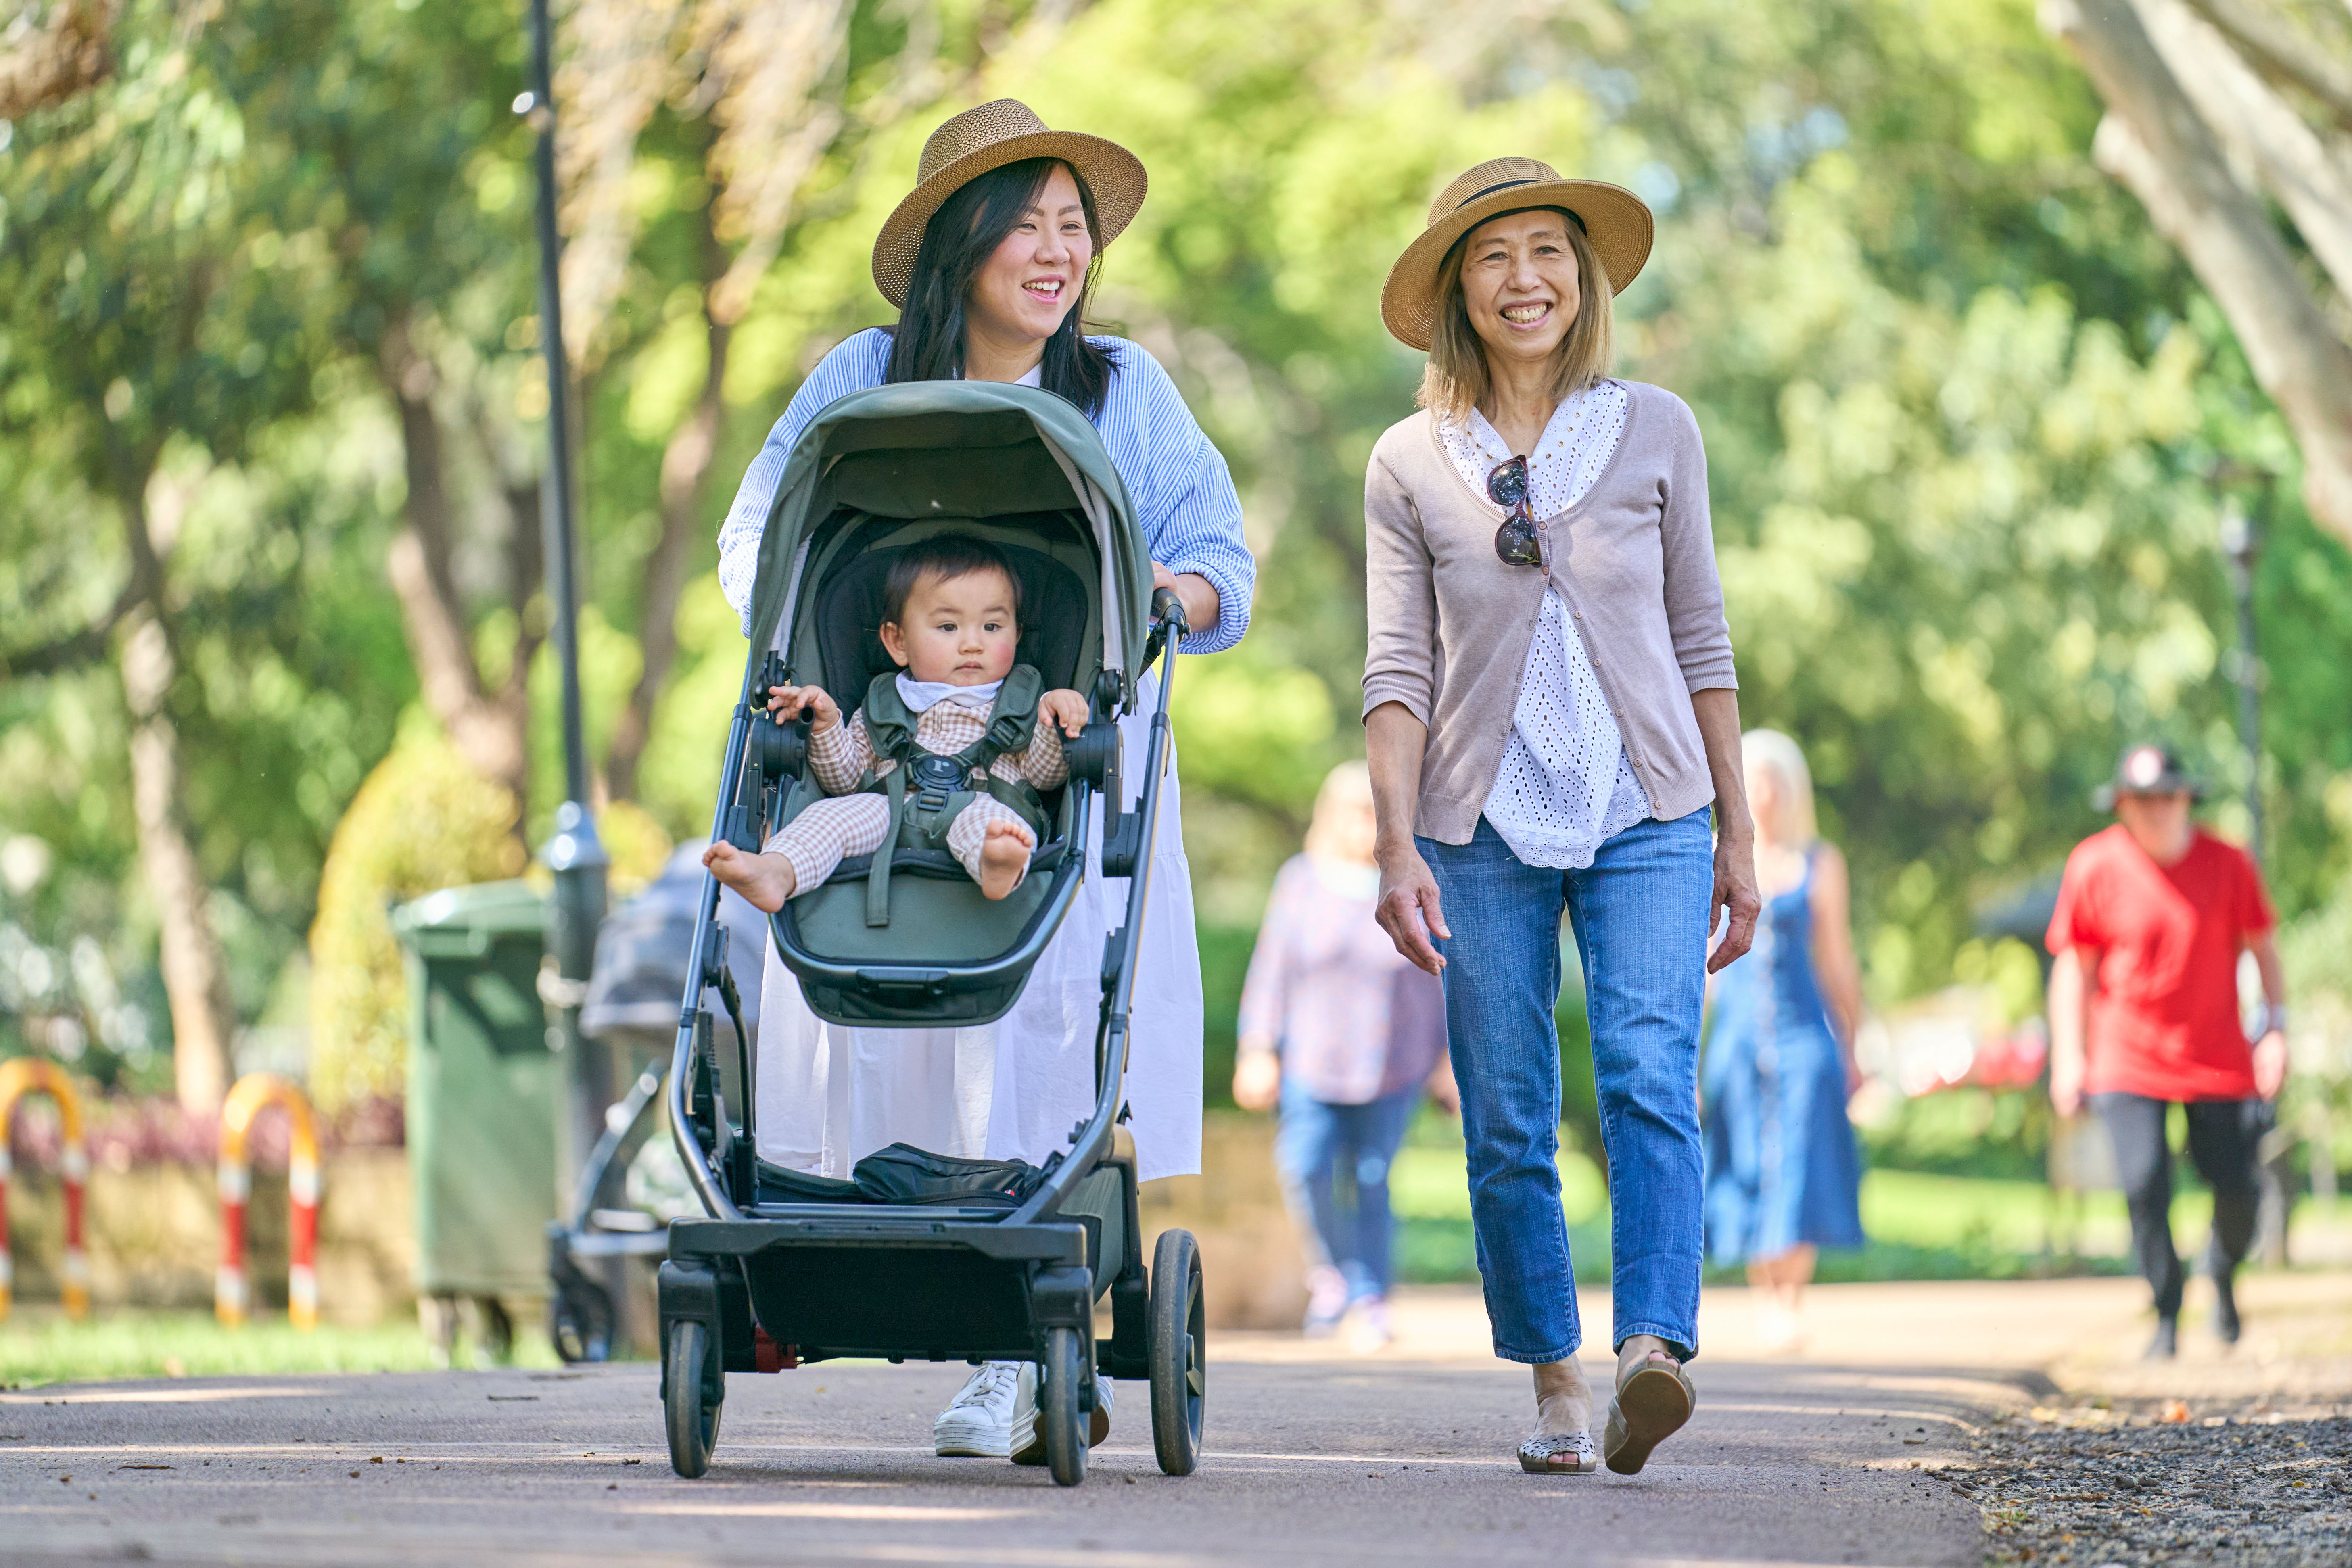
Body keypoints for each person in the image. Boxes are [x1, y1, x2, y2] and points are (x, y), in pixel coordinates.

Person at [712, 100, 1254, 1463]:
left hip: (1057, 769)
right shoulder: (859, 375)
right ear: (963, 242)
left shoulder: (1125, 388)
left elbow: (1219, 561)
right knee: (840, 967)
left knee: (1045, 1021)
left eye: (1076, 226)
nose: (1059, 251)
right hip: (881, 756)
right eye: (1030, 224)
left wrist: (1165, 605)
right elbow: (754, 533)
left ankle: (1011, 1349)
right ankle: (833, 1236)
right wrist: (798, 652)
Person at [1362, 157, 1760, 1476]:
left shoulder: (1658, 431)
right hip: (1476, 826)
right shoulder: (1410, 462)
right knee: (1507, 1106)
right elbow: (1398, 669)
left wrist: (1740, 837)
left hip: (1651, 807)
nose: (1525, 278)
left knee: (1652, 1072)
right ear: (1456, 291)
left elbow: (1703, 637)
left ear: (1581, 278)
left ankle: (1656, 1344)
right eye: (1494, 256)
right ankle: (1553, 1377)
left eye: (1548, 251)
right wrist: (1395, 839)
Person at [2046, 743, 2287, 1359]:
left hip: (2218, 1056)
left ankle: (2221, 1268)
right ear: (2122, 804)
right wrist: (2070, 1057)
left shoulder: (2229, 862)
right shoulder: (2093, 865)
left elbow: (2263, 951)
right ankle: (2166, 1308)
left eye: (2167, 797)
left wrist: (2275, 1030)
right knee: (2143, 1182)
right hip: (2126, 1055)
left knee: (2237, 1188)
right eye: (2142, 799)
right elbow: (2074, 969)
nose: (2156, 810)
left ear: (2187, 798)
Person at [703, 536, 1091, 908]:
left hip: (982, 803)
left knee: (996, 827)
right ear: (898, 642)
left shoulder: (1024, 700)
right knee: (828, 818)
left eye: (992, 627)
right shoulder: (885, 701)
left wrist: (1055, 722)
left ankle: (998, 864)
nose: (973, 643)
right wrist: (825, 725)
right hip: (887, 808)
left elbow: (1041, 777)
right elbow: (846, 780)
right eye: (948, 627)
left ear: (1017, 634)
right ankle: (777, 871)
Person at [1232, 761, 1457, 1352]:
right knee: (1304, 1166)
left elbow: (1441, 977)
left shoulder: (1414, 883)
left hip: (1394, 1059)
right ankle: (1332, 1275)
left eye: (1376, 812)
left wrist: (1446, 1063)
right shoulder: (1301, 879)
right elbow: (1271, 970)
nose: (1365, 824)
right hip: (1312, 1058)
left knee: (1373, 1177)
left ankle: (1369, 1295)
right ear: (1331, 817)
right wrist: (1256, 1048)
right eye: (1356, 812)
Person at [1699, 729, 1865, 1353]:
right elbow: (1703, 967)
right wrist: (1688, 1055)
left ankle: (1789, 1299)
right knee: (1742, 1162)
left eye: (1775, 779)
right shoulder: (1714, 856)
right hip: (1737, 1042)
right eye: (1754, 777)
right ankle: (1763, 1297)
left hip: (1803, 1040)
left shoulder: (1819, 862)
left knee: (1798, 1166)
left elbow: (1836, 959)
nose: (1764, 792)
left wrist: (1854, 1042)